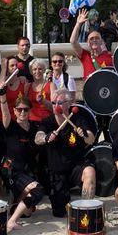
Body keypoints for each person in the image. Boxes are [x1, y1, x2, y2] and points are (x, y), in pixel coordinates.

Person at [35, 89, 97, 217]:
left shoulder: (77, 119)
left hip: (76, 167)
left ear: (69, 104)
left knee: (90, 172)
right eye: (53, 103)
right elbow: (37, 138)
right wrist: (46, 138)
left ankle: (86, 210)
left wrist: (84, 134)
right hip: (57, 172)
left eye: (59, 102)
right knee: (59, 213)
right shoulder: (48, 121)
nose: (56, 106)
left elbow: (91, 139)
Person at [0, 94, 44, 231]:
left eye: (25, 109)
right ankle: (11, 221)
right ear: (14, 111)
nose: (22, 112)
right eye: (19, 109)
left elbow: (43, 139)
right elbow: (4, 113)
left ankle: (16, 204)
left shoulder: (35, 128)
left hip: (27, 172)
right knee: (37, 190)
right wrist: (2, 96)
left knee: (28, 212)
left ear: (30, 111)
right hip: (12, 170)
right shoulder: (10, 125)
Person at [0, 56, 28, 197]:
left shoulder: (24, 83)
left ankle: (13, 191)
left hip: (15, 126)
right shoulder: (2, 82)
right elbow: (0, 86)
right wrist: (4, 68)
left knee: (11, 159)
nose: (14, 68)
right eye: (11, 66)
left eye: (15, 66)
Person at [70, 8, 113, 80]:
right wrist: (78, 24)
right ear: (88, 42)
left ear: (102, 41)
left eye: (97, 38)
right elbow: (73, 41)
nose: (94, 40)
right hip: (90, 90)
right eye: (91, 39)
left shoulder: (110, 57)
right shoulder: (85, 55)